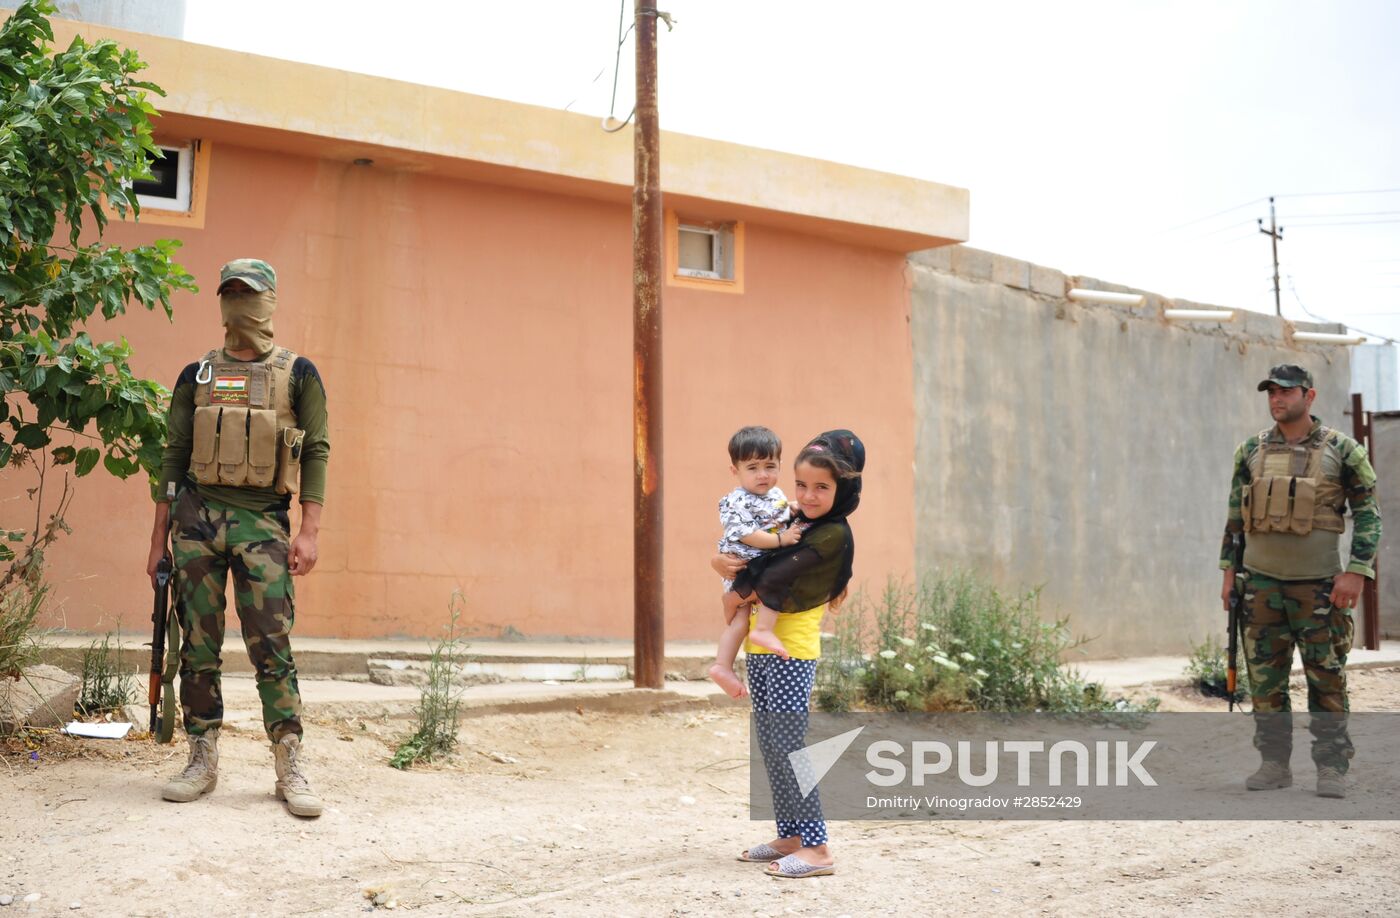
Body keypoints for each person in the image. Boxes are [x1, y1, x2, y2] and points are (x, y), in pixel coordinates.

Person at [144, 259, 330, 818]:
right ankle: (201, 757)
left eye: (247, 293)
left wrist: (309, 529)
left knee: (271, 647)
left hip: (263, 524)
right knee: (197, 646)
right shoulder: (196, 376)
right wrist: (158, 540)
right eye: (229, 292)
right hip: (196, 521)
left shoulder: (298, 374)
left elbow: (316, 449)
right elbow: (172, 456)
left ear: (269, 301)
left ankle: (288, 761)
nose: (238, 303)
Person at [1219, 364, 1381, 799]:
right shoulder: (1250, 450)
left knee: (1326, 679)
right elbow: (1236, 518)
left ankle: (1331, 768)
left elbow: (1368, 514)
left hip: (1320, 588)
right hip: (1260, 586)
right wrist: (1229, 574)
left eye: (1286, 392)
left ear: (1309, 397)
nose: (1277, 399)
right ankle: (1274, 764)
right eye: (1271, 391)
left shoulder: (1343, 450)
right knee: (1265, 683)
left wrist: (1356, 571)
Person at [716, 429, 864, 879]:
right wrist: (719, 561)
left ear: (844, 489)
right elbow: (750, 549)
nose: (808, 495)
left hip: (790, 652)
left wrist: (734, 588)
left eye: (822, 487)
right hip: (765, 646)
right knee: (772, 748)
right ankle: (791, 837)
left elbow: (770, 573)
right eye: (801, 485)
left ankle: (817, 849)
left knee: (790, 748)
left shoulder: (832, 534)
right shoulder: (802, 521)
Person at [709, 426, 805, 697]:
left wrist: (794, 507)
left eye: (770, 466)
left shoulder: (775, 495)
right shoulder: (733, 501)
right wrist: (780, 541)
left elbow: (779, 512)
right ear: (735, 471)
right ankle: (755, 636)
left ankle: (722, 666)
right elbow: (746, 534)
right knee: (756, 603)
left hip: (759, 567)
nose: (763, 475)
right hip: (745, 565)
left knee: (740, 619)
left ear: (780, 466)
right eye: (752, 467)